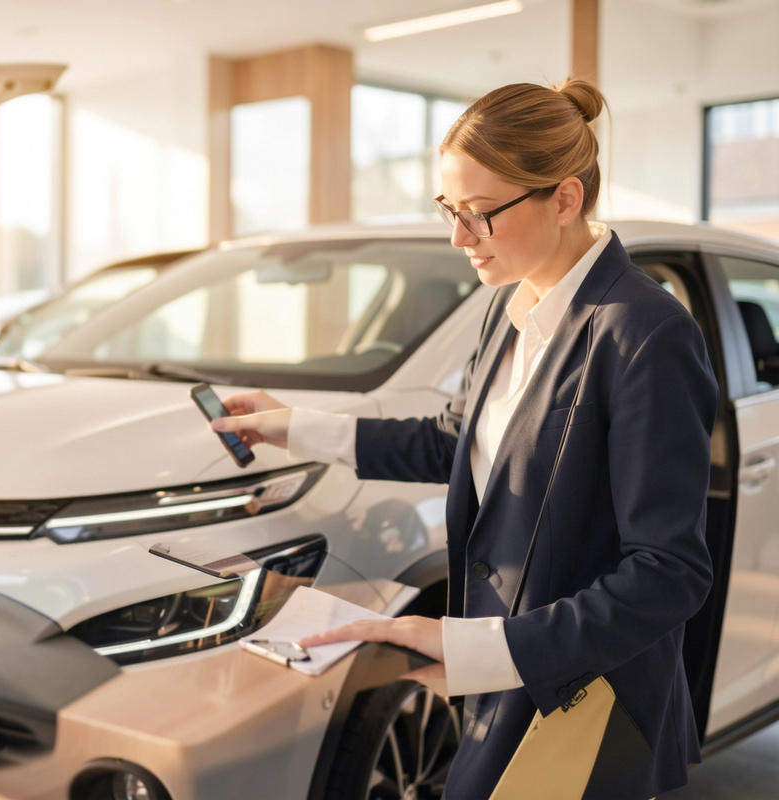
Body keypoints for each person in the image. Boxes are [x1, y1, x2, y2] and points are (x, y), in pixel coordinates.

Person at [212, 78, 717, 800]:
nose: (458, 238)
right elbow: (458, 441)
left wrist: (480, 648)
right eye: (450, 211)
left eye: (479, 214)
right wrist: (293, 426)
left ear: (565, 199)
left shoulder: (644, 334)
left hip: (579, 696)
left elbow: (668, 574)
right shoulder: (509, 306)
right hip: (501, 673)